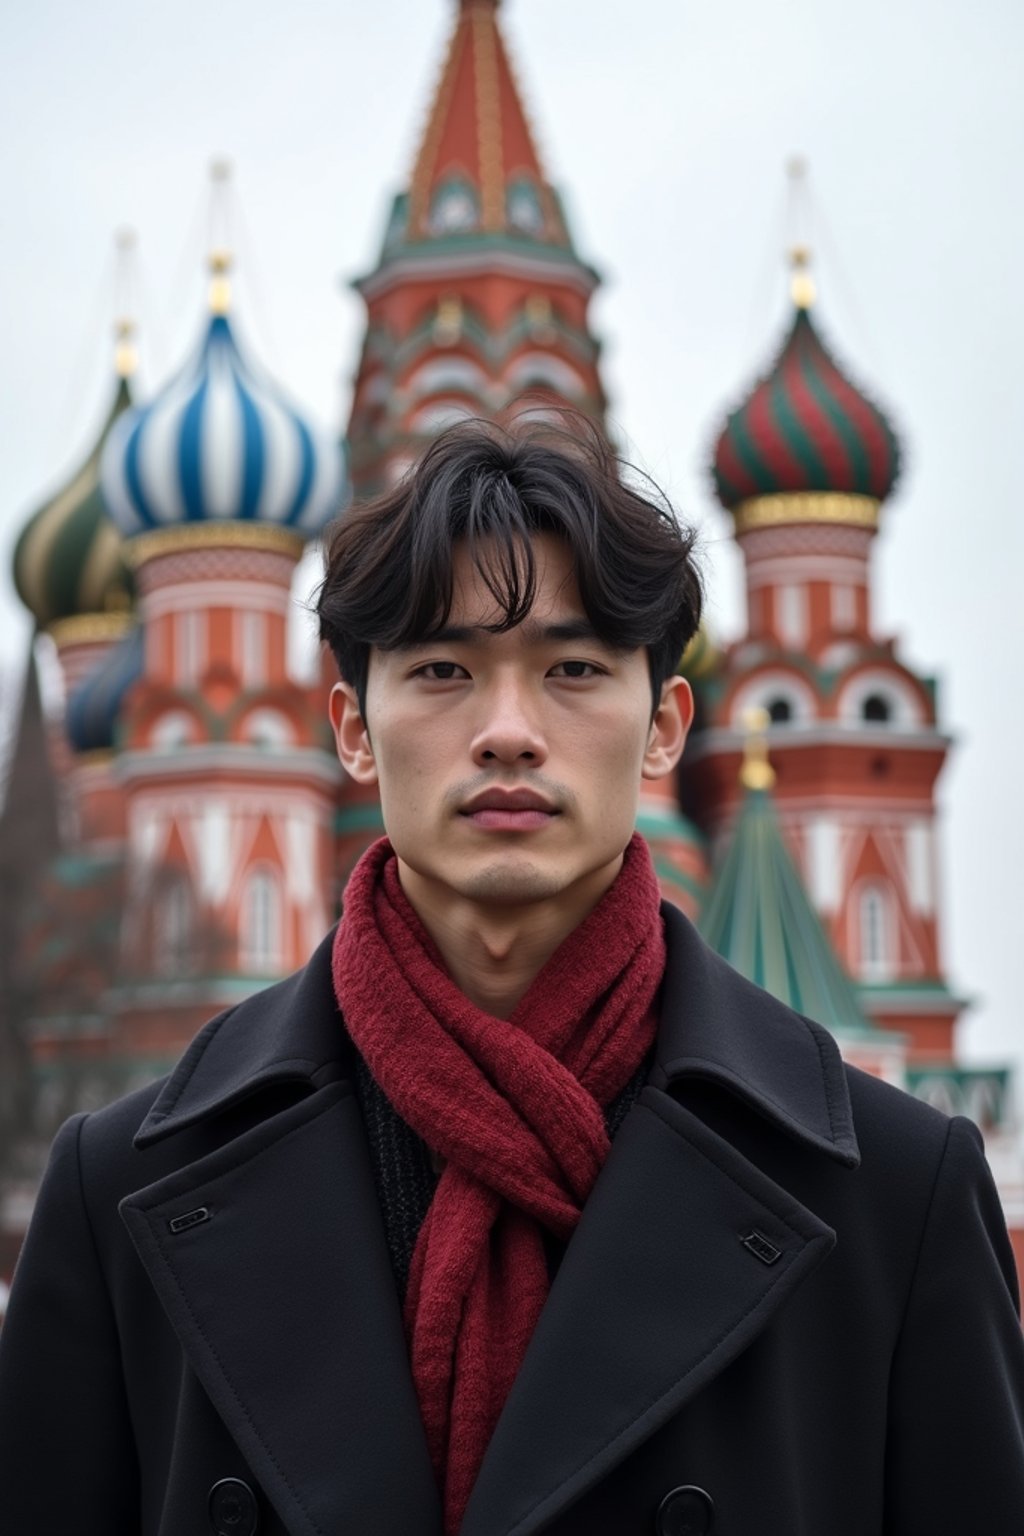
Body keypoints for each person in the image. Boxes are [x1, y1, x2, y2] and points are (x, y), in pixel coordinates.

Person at [1, 418, 1022, 1536]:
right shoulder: (125, 1191)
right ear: (348, 730)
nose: (506, 732)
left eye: (573, 669)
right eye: (441, 670)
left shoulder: (890, 1196)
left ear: (665, 729)